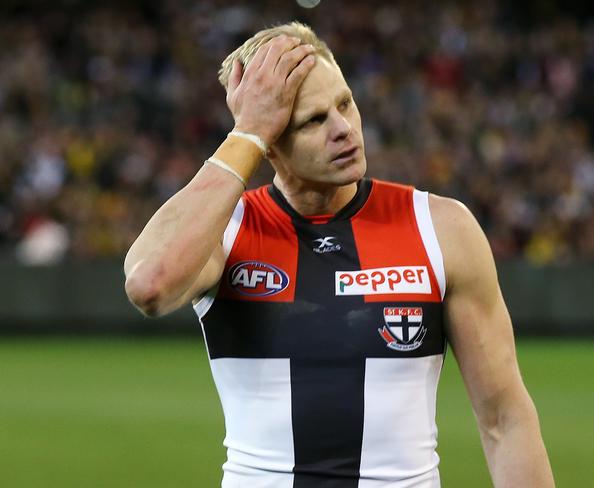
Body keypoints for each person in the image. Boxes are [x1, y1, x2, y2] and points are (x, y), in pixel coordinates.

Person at [124, 22, 554, 488]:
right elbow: (150, 285)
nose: (344, 129)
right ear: (270, 145)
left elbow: (504, 419)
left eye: (345, 103)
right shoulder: (227, 232)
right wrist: (245, 132)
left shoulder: (441, 227)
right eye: (314, 120)